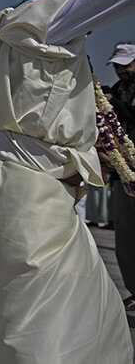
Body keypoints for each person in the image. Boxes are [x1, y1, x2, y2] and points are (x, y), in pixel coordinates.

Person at [0, 0, 135, 363]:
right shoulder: (51, 16)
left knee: (91, 310)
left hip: (35, 189)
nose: (96, 19)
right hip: (27, 190)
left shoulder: (25, 25)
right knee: (35, 321)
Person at [106, 42, 135, 312]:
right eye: (117, 65)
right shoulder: (115, 91)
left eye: (125, 65)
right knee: (125, 234)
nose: (121, 70)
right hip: (123, 172)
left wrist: (117, 107)